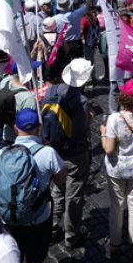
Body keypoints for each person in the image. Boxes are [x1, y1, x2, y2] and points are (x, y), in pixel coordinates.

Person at [0, 108, 66, 263]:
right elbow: (62, 179)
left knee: (11, 261)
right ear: (38, 127)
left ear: (15, 128)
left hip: (8, 219)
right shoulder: (48, 153)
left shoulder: (3, 153)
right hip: (39, 218)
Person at [46, 57, 94, 249]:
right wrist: (89, 120)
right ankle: (71, 235)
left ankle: (52, 228)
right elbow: (79, 134)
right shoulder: (80, 101)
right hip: (74, 155)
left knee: (57, 190)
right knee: (73, 195)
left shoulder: (51, 90)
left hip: (54, 151)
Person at [102, 80, 133, 255]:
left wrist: (103, 134)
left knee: (116, 206)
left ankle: (114, 243)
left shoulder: (114, 118)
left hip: (117, 168)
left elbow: (108, 148)